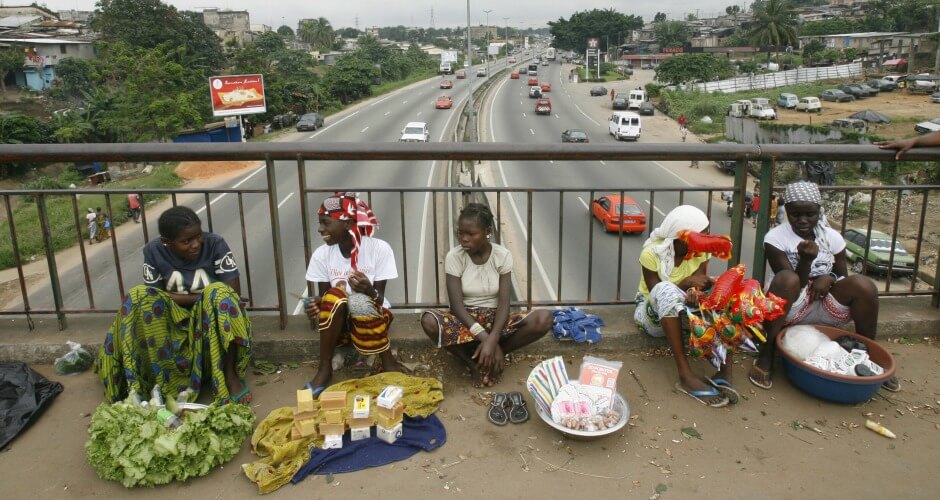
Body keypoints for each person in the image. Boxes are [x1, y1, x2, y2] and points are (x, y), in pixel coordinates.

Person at [748, 181, 899, 392]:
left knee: (864, 285)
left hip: (824, 300)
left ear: (819, 211)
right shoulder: (775, 238)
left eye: (809, 214)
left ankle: (868, 353)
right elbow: (797, 282)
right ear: (787, 211)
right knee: (785, 279)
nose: (802, 220)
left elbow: (843, 275)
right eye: (795, 214)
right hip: (791, 304)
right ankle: (767, 352)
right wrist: (806, 261)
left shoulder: (831, 237)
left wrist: (828, 277)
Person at [94, 206, 252, 404]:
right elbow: (155, 297)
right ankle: (154, 380)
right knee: (137, 295)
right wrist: (202, 297)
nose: (195, 244)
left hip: (211, 322)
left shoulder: (215, 244)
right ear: (167, 243)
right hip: (172, 323)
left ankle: (230, 376)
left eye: (198, 236)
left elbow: (233, 292)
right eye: (186, 241)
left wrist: (202, 299)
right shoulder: (153, 251)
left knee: (220, 294)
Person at [421, 203, 552, 388]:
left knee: (543, 319)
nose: (464, 239)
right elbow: (456, 307)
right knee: (428, 320)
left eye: (471, 234)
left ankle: (494, 354)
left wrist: (494, 339)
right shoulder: (454, 257)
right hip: (465, 320)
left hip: (495, 318)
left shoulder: (502, 256)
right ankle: (472, 363)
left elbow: (504, 303)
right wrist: (486, 339)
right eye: (460, 233)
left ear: (487, 231)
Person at [633, 205, 733, 407]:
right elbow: (656, 294)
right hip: (651, 314)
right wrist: (685, 284)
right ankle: (685, 375)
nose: (706, 239)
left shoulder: (701, 253)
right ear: (682, 237)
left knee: (727, 293)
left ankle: (725, 369)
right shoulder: (651, 253)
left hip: (683, 310)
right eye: (701, 235)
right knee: (665, 290)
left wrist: (696, 292)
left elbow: (700, 282)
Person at [303, 192, 400, 398]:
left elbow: (380, 300)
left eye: (326, 223)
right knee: (334, 296)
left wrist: (369, 290)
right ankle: (324, 370)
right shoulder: (322, 254)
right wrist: (315, 306)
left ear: (347, 224)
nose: (320, 229)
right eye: (320, 223)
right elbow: (327, 299)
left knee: (358, 299)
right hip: (339, 330)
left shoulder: (379, 249)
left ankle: (387, 361)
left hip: (372, 325)